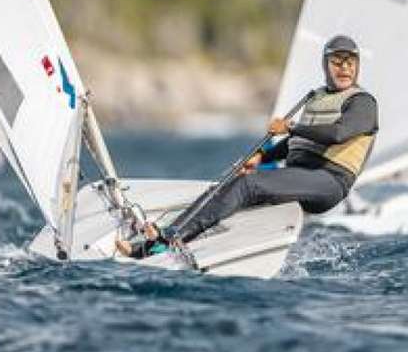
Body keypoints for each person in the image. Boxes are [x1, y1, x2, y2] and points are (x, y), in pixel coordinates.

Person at [116, 34, 379, 259]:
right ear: (325, 65)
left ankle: (169, 241)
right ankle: (152, 245)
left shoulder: (363, 103)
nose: (344, 68)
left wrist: (292, 127)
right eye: (337, 62)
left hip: (329, 181)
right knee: (232, 183)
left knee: (249, 186)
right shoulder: (318, 97)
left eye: (350, 62)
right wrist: (262, 156)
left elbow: (338, 134)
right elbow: (296, 143)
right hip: (303, 174)